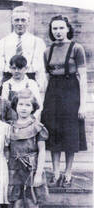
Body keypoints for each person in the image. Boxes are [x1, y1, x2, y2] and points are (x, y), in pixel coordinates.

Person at [41, 15, 87, 188]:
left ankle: (68, 173)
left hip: (71, 93)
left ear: (67, 29)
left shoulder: (77, 48)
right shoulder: (47, 51)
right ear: (51, 31)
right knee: (53, 132)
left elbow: (83, 78)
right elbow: (46, 79)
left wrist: (83, 104)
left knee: (69, 134)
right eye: (54, 29)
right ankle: (55, 173)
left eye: (61, 28)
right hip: (53, 93)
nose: (58, 32)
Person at [6, 89, 49, 208]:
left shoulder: (37, 127)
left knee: (32, 206)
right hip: (15, 170)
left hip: (31, 170)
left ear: (33, 107)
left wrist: (38, 173)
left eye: (27, 105)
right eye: (20, 104)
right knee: (16, 206)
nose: (23, 108)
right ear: (15, 106)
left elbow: (42, 151)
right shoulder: (10, 127)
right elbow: (7, 151)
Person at [0, 6, 46, 89]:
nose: (20, 23)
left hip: (30, 79)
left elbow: (41, 68)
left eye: (23, 20)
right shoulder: (2, 42)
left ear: (28, 21)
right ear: (12, 21)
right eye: (17, 20)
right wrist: (0, 85)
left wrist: (40, 86)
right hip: (8, 79)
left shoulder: (38, 42)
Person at [1, 55, 42, 121]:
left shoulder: (31, 83)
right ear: (10, 68)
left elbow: (39, 105)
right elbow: (4, 106)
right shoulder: (7, 85)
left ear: (26, 69)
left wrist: (32, 118)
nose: (16, 71)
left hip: (29, 121)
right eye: (14, 68)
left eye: (19, 68)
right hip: (12, 121)